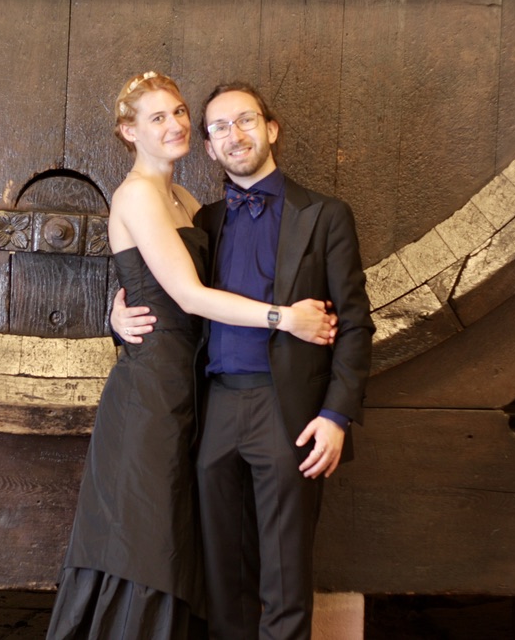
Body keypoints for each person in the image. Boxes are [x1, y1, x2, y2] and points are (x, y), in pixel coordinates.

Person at [47, 72, 336, 640]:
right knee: (146, 545)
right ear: (129, 132)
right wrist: (284, 317)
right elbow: (188, 296)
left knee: (180, 546)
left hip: (196, 392)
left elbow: (185, 291)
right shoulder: (136, 194)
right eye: (157, 117)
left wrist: (117, 314)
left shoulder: (189, 203)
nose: (176, 124)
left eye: (179, 112)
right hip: (150, 396)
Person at [112, 82, 374, 639]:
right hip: (211, 410)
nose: (235, 135)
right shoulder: (202, 219)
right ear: (209, 147)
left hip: (290, 411)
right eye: (220, 127)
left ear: (271, 129)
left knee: (284, 578)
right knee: (221, 584)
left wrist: (336, 416)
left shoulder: (325, 215)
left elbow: (355, 324)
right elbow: (166, 294)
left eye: (246, 120)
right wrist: (115, 318)